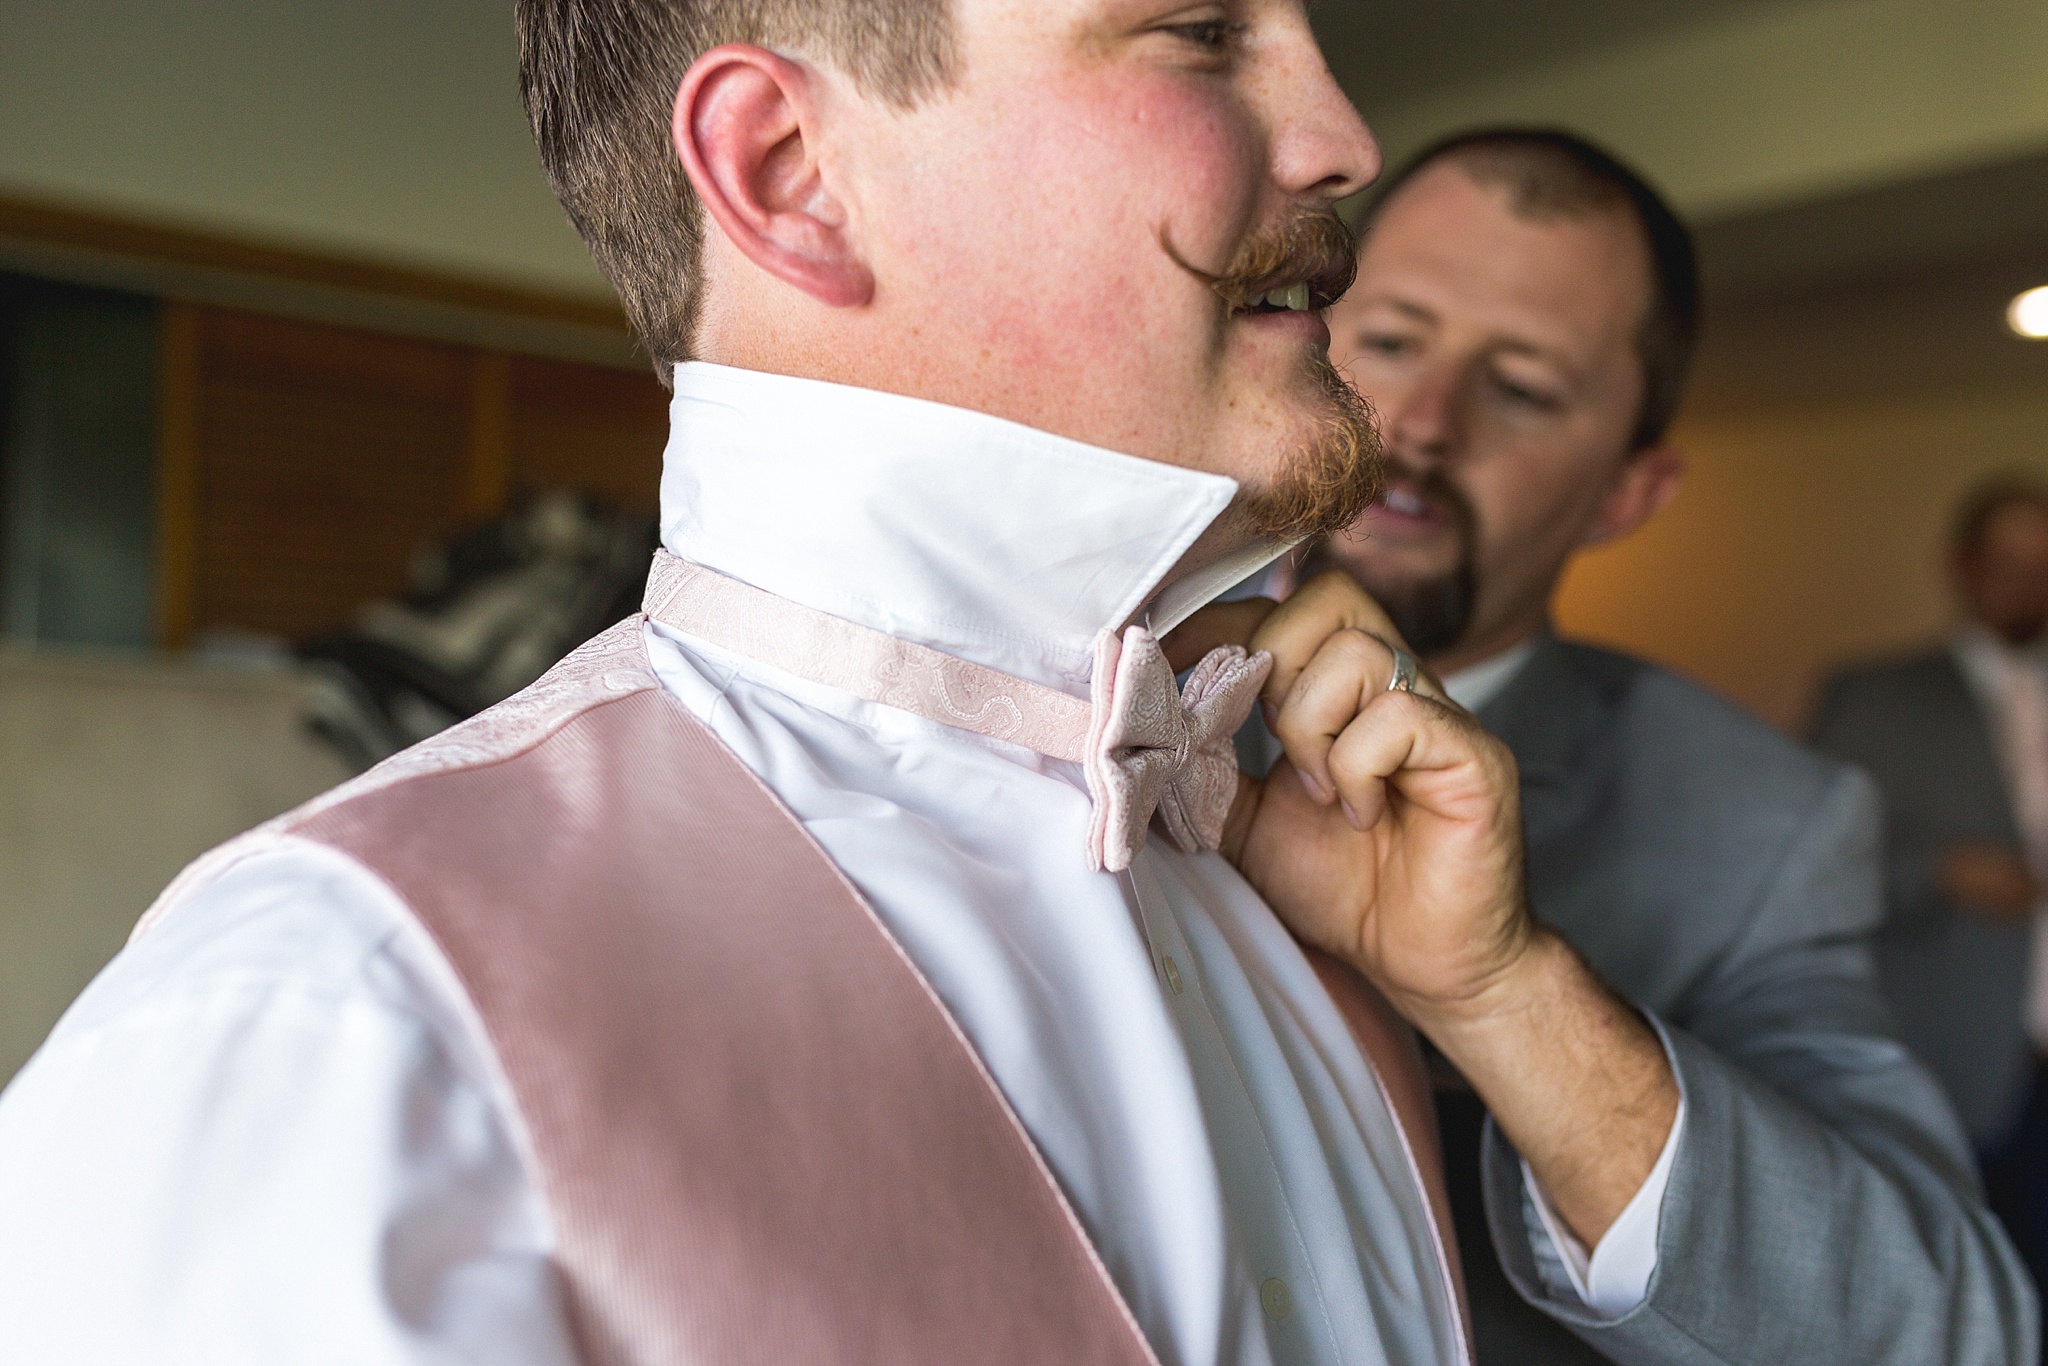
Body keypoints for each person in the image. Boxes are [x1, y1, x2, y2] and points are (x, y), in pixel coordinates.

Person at [0, 5, 1536, 1364]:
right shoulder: (335, 1037)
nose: (1345, 140)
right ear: (789, 172)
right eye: (1201, 31)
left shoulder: (1318, 894)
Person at [1295, 128, 2034, 1364]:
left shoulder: (1759, 825)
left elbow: (1939, 1330)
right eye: (1387, 339)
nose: (1419, 424)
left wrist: (1503, 991)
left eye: (1520, 387)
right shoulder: (1057, 643)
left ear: (1624, 495)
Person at [1811, 477, 2048, 1298]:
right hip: (1952, 1054)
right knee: (1959, 1292)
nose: (2029, 579)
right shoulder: (1877, 696)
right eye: (2010, 560)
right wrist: (1937, 872)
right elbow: (1818, 868)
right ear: (1964, 566)